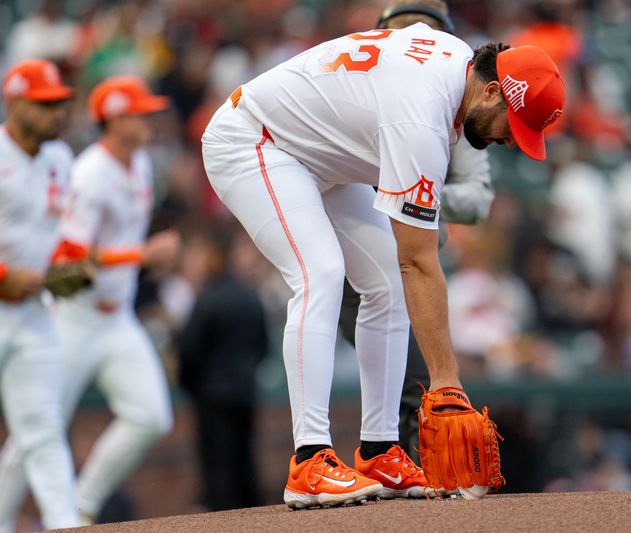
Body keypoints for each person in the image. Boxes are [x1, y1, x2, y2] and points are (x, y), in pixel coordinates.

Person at [202, 20, 564, 508]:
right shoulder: (421, 118)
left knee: (386, 282)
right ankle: (309, 460)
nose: (509, 141)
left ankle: (379, 449)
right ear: (494, 92)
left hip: (317, 153)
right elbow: (419, 258)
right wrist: (448, 383)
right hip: (255, 140)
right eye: (513, 126)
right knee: (321, 273)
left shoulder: (457, 63)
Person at [0, 75, 179, 526]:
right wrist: (141, 255)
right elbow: (70, 260)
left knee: (151, 416)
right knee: (35, 432)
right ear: (115, 119)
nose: (150, 121)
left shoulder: (137, 164)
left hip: (116, 317)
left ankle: (78, 506)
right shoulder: (89, 173)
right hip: (72, 316)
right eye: (140, 113)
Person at [337, 0, 495, 461]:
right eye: (403, 28)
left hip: (415, 260)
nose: (413, 37)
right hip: (353, 256)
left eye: (424, 28)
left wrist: (413, 192)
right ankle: (392, 467)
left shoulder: (453, 97)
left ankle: (414, 475)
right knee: (400, 378)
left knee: (412, 379)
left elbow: (478, 200)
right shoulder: (361, 78)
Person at [0, 59, 80, 531]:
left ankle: (65, 522)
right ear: (16, 103)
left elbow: (57, 233)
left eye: (60, 104)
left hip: (31, 310)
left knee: (43, 428)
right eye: (45, 104)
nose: (57, 113)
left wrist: (75, 261)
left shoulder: (61, 159)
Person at [178, 227, 268, 511]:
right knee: (245, 459)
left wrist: (191, 384)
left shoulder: (207, 299)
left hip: (212, 395)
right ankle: (254, 518)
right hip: (245, 391)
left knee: (218, 467)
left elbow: (188, 352)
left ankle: (223, 520)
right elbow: (263, 347)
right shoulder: (250, 296)